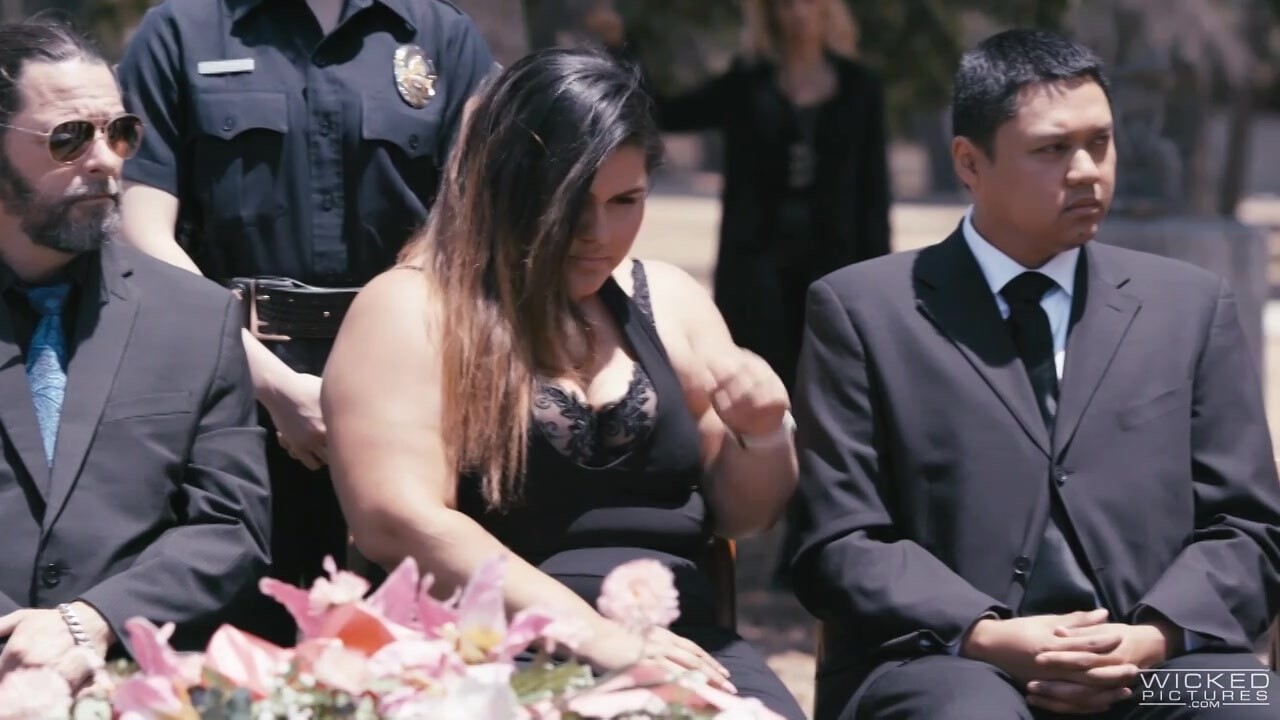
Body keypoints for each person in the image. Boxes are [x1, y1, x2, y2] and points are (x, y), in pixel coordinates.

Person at [790, 28, 1280, 720]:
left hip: (1151, 665)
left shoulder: (1190, 306)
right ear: (969, 162)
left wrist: (1150, 639)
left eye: (1100, 143)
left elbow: (1248, 529)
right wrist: (989, 635)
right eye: (1053, 149)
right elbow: (838, 541)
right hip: (947, 660)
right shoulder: (864, 311)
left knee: (1254, 702)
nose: (1086, 170)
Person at [322, 48, 807, 719]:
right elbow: (396, 521)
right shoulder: (410, 308)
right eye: (570, 202)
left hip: (682, 644)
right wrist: (598, 638)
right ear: (503, 182)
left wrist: (764, 435)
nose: (597, 233)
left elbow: (742, 517)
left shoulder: (670, 299)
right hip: (485, 648)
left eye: (626, 201)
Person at [114, 0, 495, 644]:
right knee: (233, 645)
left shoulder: (441, 35)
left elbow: (475, 221)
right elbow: (142, 234)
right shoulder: (179, 32)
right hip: (227, 397)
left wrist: (376, 395)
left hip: (410, 394)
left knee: (403, 648)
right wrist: (270, 383)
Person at [0, 18, 270, 689]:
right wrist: (17, 644)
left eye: (120, 133)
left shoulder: (197, 317)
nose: (107, 160)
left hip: (142, 682)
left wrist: (92, 620)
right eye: (69, 138)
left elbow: (231, 525)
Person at [593, 0, 891, 587]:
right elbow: (666, 111)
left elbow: (872, 192)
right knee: (762, 397)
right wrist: (622, 46)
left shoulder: (861, 87)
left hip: (833, 269)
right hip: (758, 272)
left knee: (830, 404)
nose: (799, 12)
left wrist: (877, 284)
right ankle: (747, 523)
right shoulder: (747, 83)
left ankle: (814, 538)